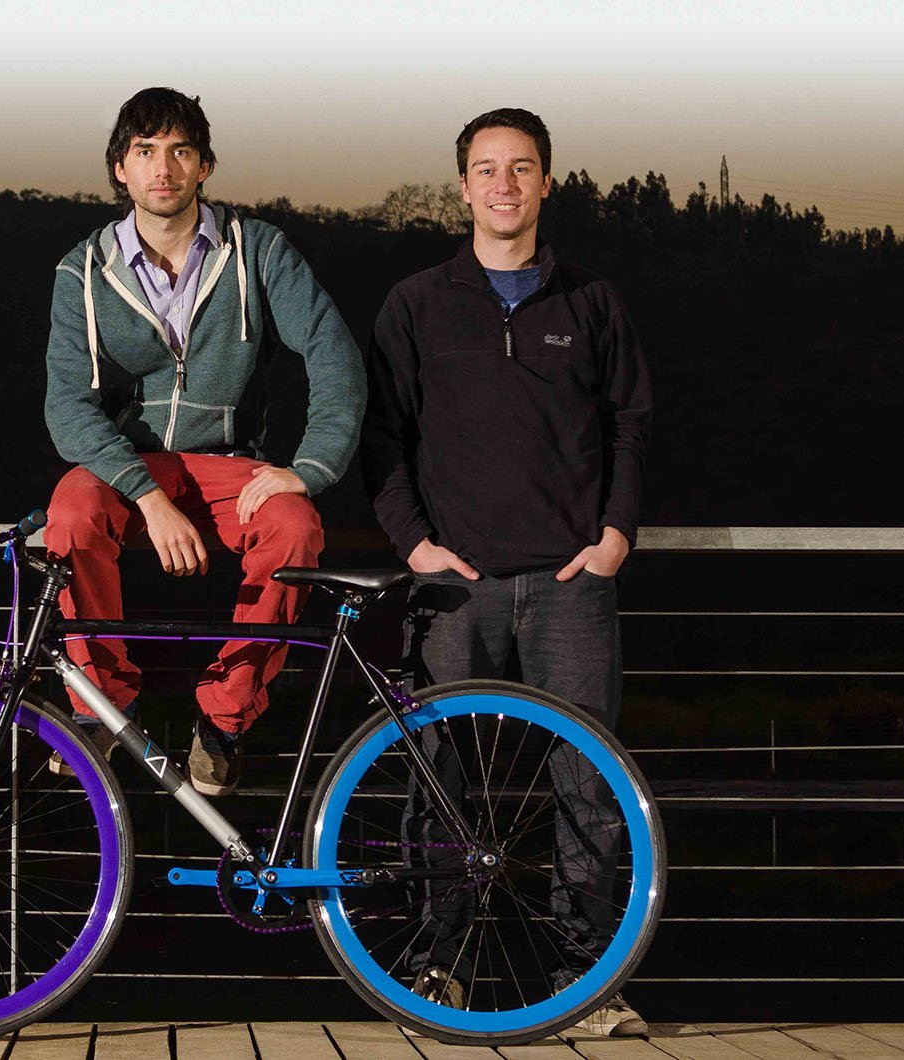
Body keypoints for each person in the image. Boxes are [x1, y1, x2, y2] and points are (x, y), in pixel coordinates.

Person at [360, 108, 652, 1036]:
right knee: (437, 775)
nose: (503, 184)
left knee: (588, 781)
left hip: (572, 583)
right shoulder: (416, 303)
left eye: (521, 168)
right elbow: (383, 440)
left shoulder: (592, 299)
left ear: (546, 183)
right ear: (462, 188)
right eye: (486, 169)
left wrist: (615, 535)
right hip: (456, 583)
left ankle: (584, 986)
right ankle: (433, 973)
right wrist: (412, 545)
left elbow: (630, 425)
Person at [42, 87, 364, 796]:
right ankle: (101, 703)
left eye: (180, 151)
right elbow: (67, 406)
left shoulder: (257, 249)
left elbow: (334, 355)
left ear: (205, 166)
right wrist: (149, 498)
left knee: (292, 524)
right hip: (131, 467)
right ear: (120, 169)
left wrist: (308, 468)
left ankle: (225, 716)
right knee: (70, 512)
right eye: (145, 151)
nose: (164, 168)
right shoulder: (83, 270)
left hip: (229, 464)